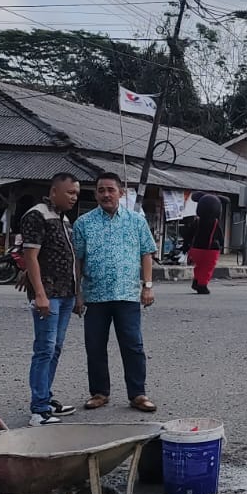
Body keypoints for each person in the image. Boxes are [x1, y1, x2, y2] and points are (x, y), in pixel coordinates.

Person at [73, 172, 159, 413]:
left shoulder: (136, 221)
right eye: (101, 190)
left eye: (111, 189)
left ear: (121, 193)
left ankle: (138, 394)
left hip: (127, 295)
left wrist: (148, 286)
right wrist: (77, 293)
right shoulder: (83, 223)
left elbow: (146, 253)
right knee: (95, 345)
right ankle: (99, 393)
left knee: (133, 345)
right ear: (96, 194)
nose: (106, 194)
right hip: (95, 295)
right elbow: (77, 260)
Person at [20, 172, 81, 426]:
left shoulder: (64, 220)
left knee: (55, 348)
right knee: (44, 348)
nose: (74, 198)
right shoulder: (37, 215)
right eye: (70, 193)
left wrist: (78, 294)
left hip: (66, 293)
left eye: (76, 193)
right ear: (54, 191)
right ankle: (39, 409)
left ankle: (46, 397)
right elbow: (30, 256)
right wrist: (40, 294)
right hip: (49, 294)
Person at [187, 193, 224, 295]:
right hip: (210, 250)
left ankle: (197, 281)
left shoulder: (197, 221)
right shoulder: (215, 223)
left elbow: (189, 234)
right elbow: (220, 236)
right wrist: (222, 245)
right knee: (207, 268)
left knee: (199, 266)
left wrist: (186, 245)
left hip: (196, 250)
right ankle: (202, 285)